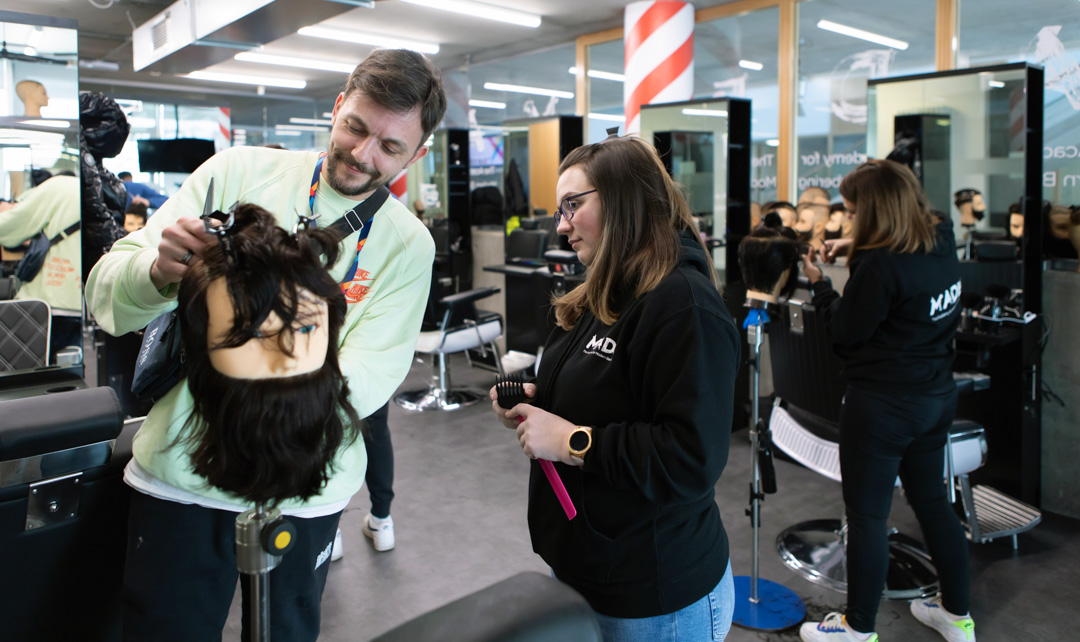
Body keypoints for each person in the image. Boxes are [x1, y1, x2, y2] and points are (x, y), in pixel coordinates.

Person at [84, 48, 445, 641]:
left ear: (419, 153)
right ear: (337, 107)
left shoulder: (408, 246)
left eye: (390, 147)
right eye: (355, 127)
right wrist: (158, 272)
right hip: (181, 474)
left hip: (306, 488)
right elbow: (105, 297)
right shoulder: (236, 173)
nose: (361, 154)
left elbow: (368, 377)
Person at [490, 135, 739, 642]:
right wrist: (537, 399)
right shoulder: (601, 290)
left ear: (624, 200)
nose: (561, 226)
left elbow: (691, 458)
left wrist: (570, 441)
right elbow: (600, 385)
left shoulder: (683, 307)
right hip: (589, 564)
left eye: (573, 206)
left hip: (653, 592)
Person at [798, 159, 974, 642]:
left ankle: (857, 627)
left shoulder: (878, 267)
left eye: (852, 213)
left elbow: (845, 332)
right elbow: (904, 258)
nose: (848, 219)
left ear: (874, 211)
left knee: (868, 515)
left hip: (882, 408)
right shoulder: (941, 235)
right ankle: (957, 615)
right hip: (936, 398)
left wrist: (820, 285)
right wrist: (851, 245)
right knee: (934, 503)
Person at [0, 174, 82, 359]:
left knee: (36, 372)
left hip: (50, 302)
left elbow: (12, 227)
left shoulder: (56, 186)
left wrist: (6, 211)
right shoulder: (92, 191)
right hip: (81, 302)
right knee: (70, 373)